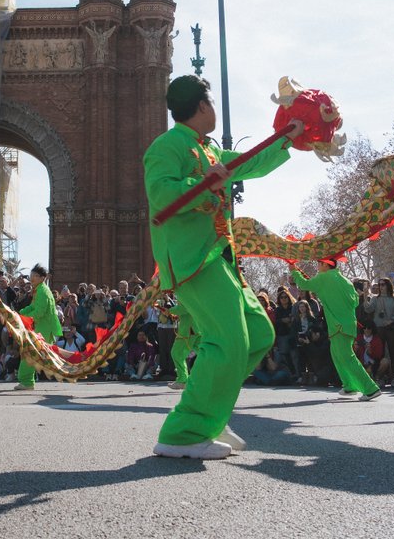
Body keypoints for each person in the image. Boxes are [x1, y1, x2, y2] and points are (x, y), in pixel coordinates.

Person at [145, 75, 306, 460]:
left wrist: (288, 136)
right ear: (203, 106)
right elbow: (161, 193)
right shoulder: (166, 146)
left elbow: (251, 162)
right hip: (192, 259)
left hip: (219, 257)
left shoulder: (211, 151)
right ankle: (184, 432)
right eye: (212, 103)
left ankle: (211, 416)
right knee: (228, 340)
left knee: (258, 333)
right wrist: (200, 181)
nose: (214, 109)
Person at [294, 261, 380, 401]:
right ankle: (349, 385)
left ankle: (370, 388)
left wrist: (293, 270)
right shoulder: (345, 280)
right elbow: (355, 301)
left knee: (346, 358)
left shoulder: (324, 277)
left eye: (319, 263)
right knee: (337, 356)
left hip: (338, 326)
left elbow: (304, 285)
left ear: (326, 265)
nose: (317, 266)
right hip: (346, 325)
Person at [14, 264, 62, 390]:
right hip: (41, 328)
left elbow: (39, 312)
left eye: (35, 276)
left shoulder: (42, 291)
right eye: (31, 275)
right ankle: (27, 381)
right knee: (31, 354)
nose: (32, 278)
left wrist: (22, 318)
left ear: (42, 278)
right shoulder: (39, 289)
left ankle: (27, 382)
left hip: (42, 329)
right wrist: (21, 313)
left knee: (29, 354)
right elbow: (33, 307)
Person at [167, 300, 200, 391]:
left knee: (177, 354)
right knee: (203, 353)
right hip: (196, 329)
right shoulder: (193, 294)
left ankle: (183, 380)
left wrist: (169, 310)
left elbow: (185, 307)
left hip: (189, 330)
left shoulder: (186, 293)